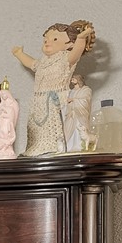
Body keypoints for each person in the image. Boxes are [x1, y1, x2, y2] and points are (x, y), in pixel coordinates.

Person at [12, 20, 95, 154]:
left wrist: (80, 39)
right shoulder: (43, 62)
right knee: (38, 129)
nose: (47, 42)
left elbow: (77, 51)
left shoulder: (66, 59)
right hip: (39, 101)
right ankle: (36, 148)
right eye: (46, 39)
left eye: (55, 39)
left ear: (70, 44)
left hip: (57, 99)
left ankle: (54, 148)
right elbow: (31, 63)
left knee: (55, 126)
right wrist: (19, 54)